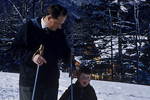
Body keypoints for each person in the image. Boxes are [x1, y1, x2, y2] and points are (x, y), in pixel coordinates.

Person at [10, 4, 76, 100]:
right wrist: (32, 57)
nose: (60, 27)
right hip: (31, 81)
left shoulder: (58, 32)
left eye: (61, 24)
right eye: (58, 23)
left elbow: (64, 51)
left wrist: (71, 63)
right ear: (49, 18)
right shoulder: (30, 28)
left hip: (50, 82)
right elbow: (14, 49)